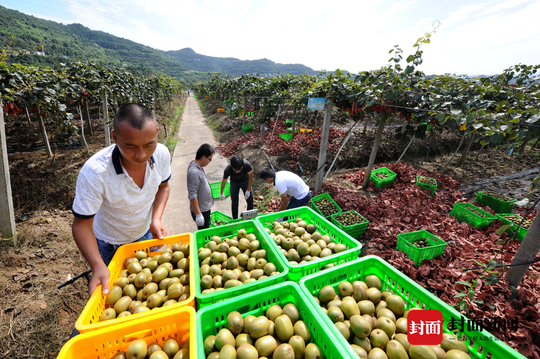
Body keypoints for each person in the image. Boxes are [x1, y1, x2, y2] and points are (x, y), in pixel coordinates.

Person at [72, 103, 171, 296]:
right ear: (115, 137)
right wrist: (97, 265)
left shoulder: (161, 154)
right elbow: (81, 225)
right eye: (130, 146)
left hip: (145, 237)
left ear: (157, 133)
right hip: (110, 245)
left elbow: (164, 187)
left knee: (147, 291)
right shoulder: (95, 172)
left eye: (149, 144)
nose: (141, 154)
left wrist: (156, 219)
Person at [187, 143, 215, 229]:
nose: (209, 161)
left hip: (204, 208)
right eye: (209, 159)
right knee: (205, 234)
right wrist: (198, 214)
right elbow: (192, 195)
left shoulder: (197, 166)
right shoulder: (194, 172)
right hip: (201, 210)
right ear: (203, 157)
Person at [220, 155, 254, 219]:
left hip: (245, 182)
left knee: (250, 201)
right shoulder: (228, 169)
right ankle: (235, 219)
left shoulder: (246, 165)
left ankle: (249, 218)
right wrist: (221, 193)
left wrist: (248, 190)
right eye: (236, 170)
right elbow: (224, 181)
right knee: (234, 203)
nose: (238, 171)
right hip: (234, 183)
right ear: (232, 167)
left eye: (240, 169)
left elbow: (251, 177)